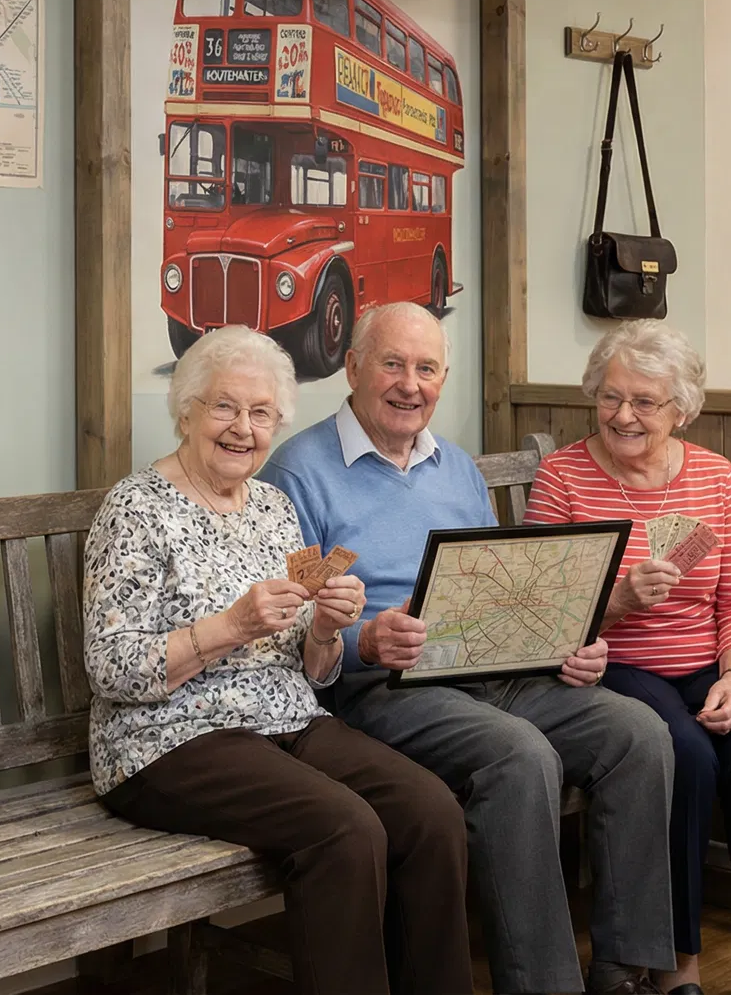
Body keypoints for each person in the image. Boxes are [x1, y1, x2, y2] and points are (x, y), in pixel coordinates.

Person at [259, 302, 674, 995]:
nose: (410, 384)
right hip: (383, 688)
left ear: (442, 379)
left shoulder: (453, 466)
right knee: (520, 756)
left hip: (490, 669)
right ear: (353, 367)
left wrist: (563, 645)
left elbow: (501, 586)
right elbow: (295, 621)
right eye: (392, 364)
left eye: (426, 369)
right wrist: (368, 640)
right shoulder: (298, 473)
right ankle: (543, 986)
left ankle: (623, 971)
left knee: (639, 734)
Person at [84, 324, 473, 995]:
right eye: (225, 407)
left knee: (429, 809)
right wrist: (228, 627)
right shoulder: (134, 509)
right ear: (188, 410)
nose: (243, 429)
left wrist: (326, 626)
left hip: (287, 720)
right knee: (344, 829)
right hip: (169, 740)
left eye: (261, 413)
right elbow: (113, 669)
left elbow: (314, 669)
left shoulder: (273, 507)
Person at [523, 322, 731, 995]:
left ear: (680, 408)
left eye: (644, 402)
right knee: (687, 758)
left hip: (709, 665)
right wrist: (619, 600)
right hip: (616, 668)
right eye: (611, 397)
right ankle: (676, 961)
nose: (623, 415)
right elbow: (539, 618)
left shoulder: (714, 476)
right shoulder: (563, 478)